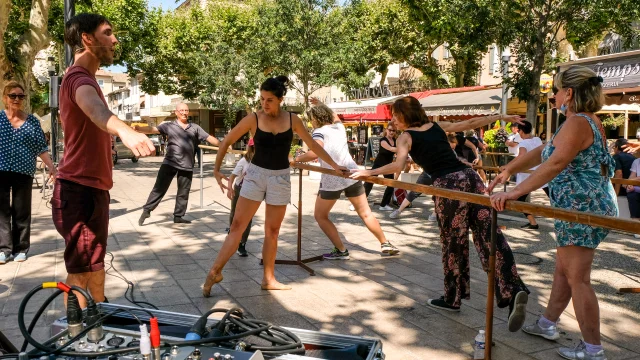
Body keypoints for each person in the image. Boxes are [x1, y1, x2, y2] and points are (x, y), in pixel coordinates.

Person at [351, 96, 529, 333]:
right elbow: (472, 122)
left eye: (396, 114)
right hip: (470, 179)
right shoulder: (437, 126)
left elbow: (398, 166)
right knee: (490, 234)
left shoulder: (407, 136)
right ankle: (513, 288)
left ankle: (452, 298)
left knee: (453, 242)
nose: (393, 119)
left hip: (448, 186)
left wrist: (368, 172)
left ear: (405, 116)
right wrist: (500, 117)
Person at [488, 65, 616, 360]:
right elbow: (545, 151)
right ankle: (547, 324)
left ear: (568, 93)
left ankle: (594, 349)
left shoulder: (578, 122)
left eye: (556, 91)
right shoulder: (582, 121)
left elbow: (555, 163)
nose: (553, 97)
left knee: (578, 278)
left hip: (580, 208)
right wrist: (508, 170)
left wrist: (514, 192)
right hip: (583, 204)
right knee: (564, 268)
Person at [202, 76, 344, 296]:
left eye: (269, 100)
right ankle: (214, 271)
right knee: (237, 227)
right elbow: (228, 140)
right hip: (255, 175)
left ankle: (268, 279)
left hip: (280, 177)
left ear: (280, 99)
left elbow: (314, 145)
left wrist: (335, 166)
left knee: (273, 231)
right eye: (262, 99)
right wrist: (216, 169)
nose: (264, 104)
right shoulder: (253, 119)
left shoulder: (293, 120)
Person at [52, 13, 155, 307]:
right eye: (107, 33)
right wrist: (126, 131)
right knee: (81, 271)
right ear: (87, 39)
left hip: (92, 189)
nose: (114, 40)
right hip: (78, 190)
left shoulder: (87, 79)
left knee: (95, 265)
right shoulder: (77, 78)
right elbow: (96, 110)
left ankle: (99, 323)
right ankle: (75, 336)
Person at [295, 102, 399, 259]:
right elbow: (335, 116)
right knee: (365, 213)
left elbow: (315, 152)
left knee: (320, 216)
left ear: (315, 118)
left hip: (332, 177)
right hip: (351, 174)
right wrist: (322, 104)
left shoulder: (319, 132)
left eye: (311, 119)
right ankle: (385, 243)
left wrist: (297, 159)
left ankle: (341, 250)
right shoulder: (339, 127)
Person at [137, 103, 221, 225]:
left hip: (187, 164)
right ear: (176, 112)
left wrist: (223, 144)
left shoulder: (195, 127)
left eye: (186, 110)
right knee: (159, 188)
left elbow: (209, 138)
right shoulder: (169, 126)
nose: (184, 112)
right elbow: (153, 129)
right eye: (181, 110)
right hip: (169, 162)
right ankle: (147, 210)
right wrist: (138, 128)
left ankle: (178, 216)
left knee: (183, 192)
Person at [0, 81, 56, 264]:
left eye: (20, 96)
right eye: (13, 96)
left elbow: (40, 147)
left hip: (23, 171)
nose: (17, 99)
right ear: (5, 98)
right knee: (1, 212)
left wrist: (52, 167)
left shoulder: (31, 120)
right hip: (1, 170)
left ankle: (21, 248)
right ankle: (4, 249)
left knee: (21, 211)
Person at [513, 121, 549, 230]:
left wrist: (508, 167)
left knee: (519, 200)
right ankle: (567, 220)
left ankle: (533, 222)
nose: (518, 132)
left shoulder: (523, 144)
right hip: (541, 172)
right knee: (553, 197)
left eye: (518, 130)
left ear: (521, 131)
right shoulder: (537, 139)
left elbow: (521, 157)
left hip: (527, 175)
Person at [227, 138, 256, 257]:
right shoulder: (244, 161)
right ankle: (232, 233)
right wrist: (230, 189)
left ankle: (242, 244)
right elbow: (232, 176)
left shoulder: (263, 161)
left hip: (253, 192)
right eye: (254, 148)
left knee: (248, 218)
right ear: (250, 148)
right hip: (240, 189)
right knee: (235, 214)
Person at [363, 124, 398, 211]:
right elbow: (391, 149)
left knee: (391, 184)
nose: (391, 132)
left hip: (388, 166)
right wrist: (403, 149)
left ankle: (384, 205)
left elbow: (396, 152)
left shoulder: (394, 140)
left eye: (393, 130)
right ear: (386, 130)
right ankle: (359, 203)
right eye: (390, 130)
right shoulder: (383, 140)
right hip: (378, 164)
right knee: (369, 183)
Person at [625, 157, 640, 238]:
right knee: (632, 195)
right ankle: (636, 226)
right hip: (637, 188)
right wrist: (629, 184)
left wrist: (636, 179)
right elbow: (632, 177)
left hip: (637, 187)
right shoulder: (637, 161)